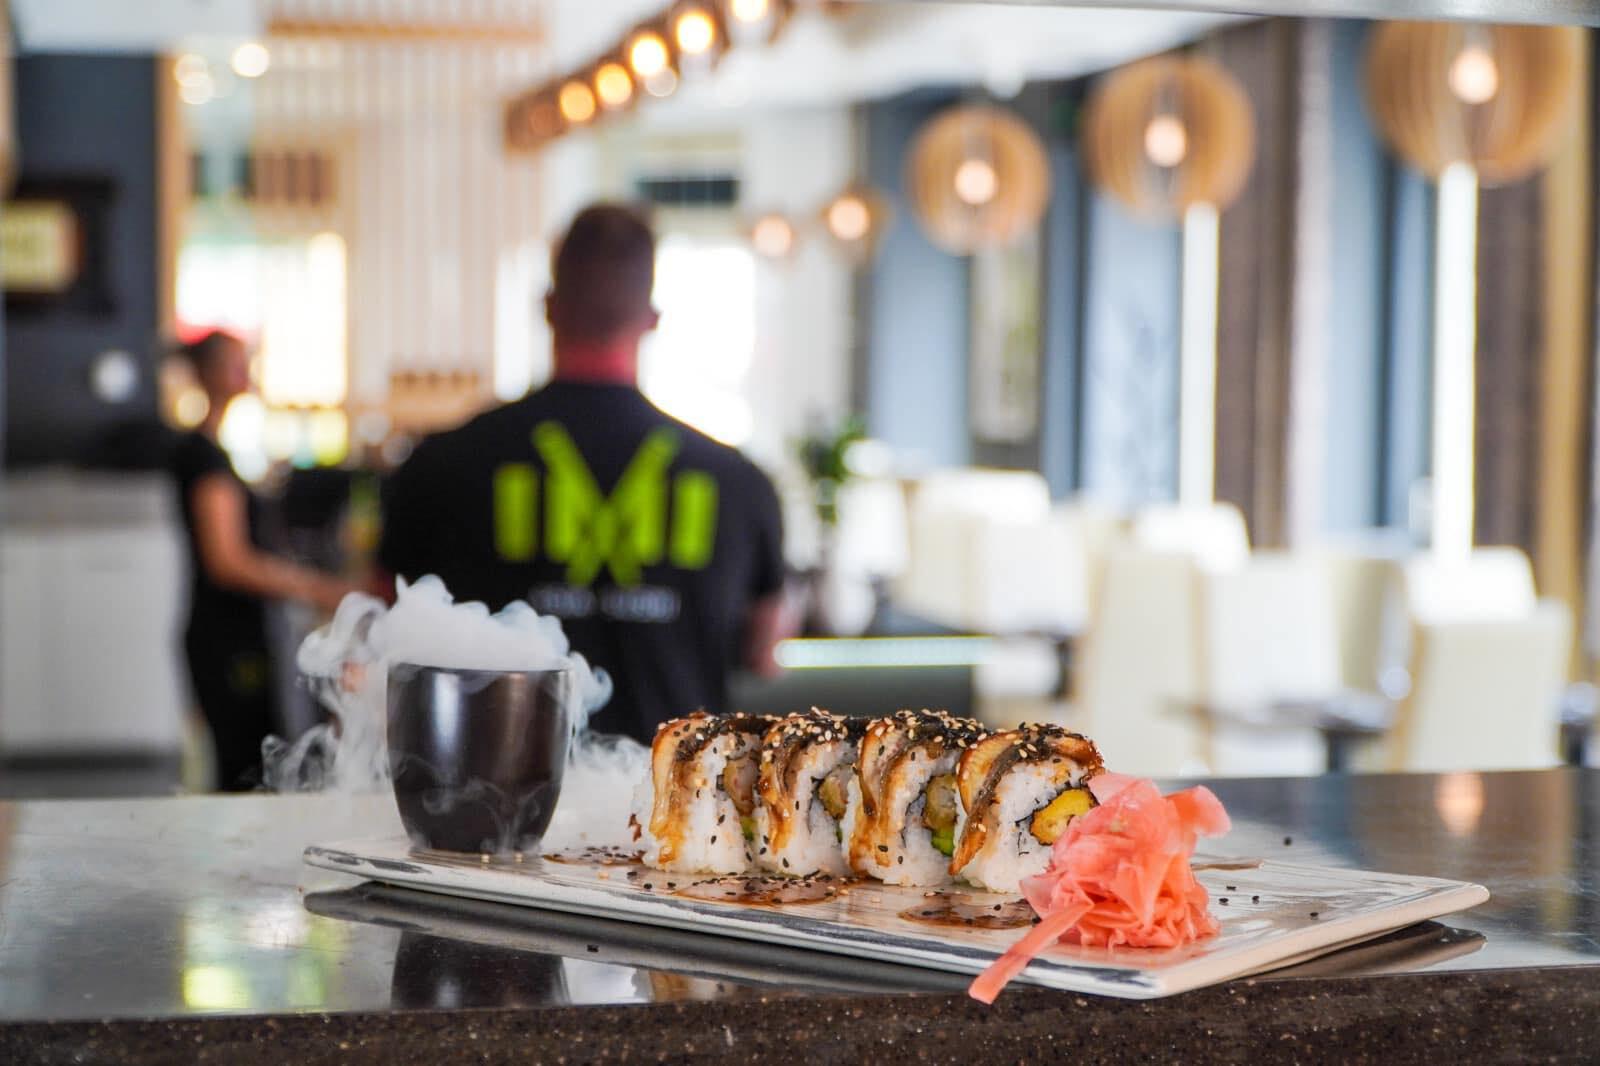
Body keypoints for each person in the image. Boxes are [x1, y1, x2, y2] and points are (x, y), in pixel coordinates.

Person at [380, 203, 790, 742]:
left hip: (494, 784)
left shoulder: (442, 464)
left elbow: (383, 628)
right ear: (652, 319)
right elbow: (763, 653)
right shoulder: (739, 482)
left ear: (548, 307)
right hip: (673, 787)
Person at [169, 330, 361, 791]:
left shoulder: (212, 452)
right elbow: (228, 561)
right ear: (210, 373)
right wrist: (320, 588)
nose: (246, 373)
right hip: (226, 637)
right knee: (244, 769)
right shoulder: (205, 460)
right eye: (236, 363)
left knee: (249, 761)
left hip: (231, 632)